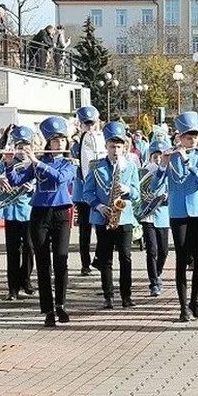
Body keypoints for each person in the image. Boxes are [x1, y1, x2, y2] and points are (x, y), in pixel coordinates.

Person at [8, 116, 76, 327]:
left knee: (61, 261)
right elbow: (17, 180)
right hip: (39, 213)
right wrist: (10, 164)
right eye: (55, 141)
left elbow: (60, 178)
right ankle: (47, 309)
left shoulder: (69, 162)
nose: (59, 144)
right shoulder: (38, 161)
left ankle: (61, 305)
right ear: (48, 142)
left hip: (61, 213)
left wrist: (36, 162)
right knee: (43, 262)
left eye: (62, 140)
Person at [151, 111, 198, 322]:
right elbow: (155, 186)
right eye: (187, 136)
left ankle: (195, 300)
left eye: (194, 136)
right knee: (180, 258)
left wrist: (187, 161)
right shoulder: (171, 156)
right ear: (179, 137)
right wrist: (162, 165)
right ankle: (182, 306)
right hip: (178, 212)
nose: (191, 140)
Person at [84, 121, 141, 309]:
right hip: (104, 217)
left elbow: (137, 193)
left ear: (124, 147)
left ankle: (126, 295)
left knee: (125, 257)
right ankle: (108, 295)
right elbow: (87, 192)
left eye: (118, 146)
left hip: (124, 217)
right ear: (106, 146)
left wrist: (127, 190)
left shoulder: (131, 166)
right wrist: (99, 206)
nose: (115, 150)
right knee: (106, 258)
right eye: (112, 146)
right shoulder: (97, 166)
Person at [0, 125, 35, 300]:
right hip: (10, 209)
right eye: (19, 147)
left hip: (29, 210)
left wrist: (33, 187)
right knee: (12, 250)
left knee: (29, 247)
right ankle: (12, 288)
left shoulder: (34, 164)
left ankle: (26, 280)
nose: (23, 151)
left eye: (26, 147)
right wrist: (0, 178)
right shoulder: (5, 164)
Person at [70, 106, 104, 275]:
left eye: (92, 123)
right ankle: (85, 263)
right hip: (83, 192)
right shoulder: (75, 143)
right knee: (85, 230)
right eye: (86, 124)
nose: (90, 127)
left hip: (99, 191)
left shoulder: (101, 139)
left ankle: (99, 258)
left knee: (101, 227)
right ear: (80, 124)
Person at [139, 140, 171, 296]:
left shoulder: (169, 171)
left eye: (161, 156)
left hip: (163, 215)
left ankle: (157, 273)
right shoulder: (144, 171)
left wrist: (167, 197)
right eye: (155, 156)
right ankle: (153, 281)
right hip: (148, 216)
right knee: (152, 250)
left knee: (163, 251)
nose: (158, 159)